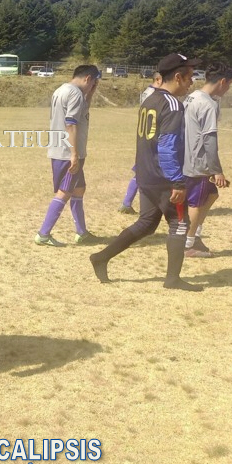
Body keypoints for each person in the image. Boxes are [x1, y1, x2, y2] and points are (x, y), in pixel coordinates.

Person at [89, 53, 203, 291]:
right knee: (180, 223)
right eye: (190, 77)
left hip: (146, 174)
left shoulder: (149, 100)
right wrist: (178, 183)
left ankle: (101, 257)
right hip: (163, 177)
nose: (192, 82)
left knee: (147, 223)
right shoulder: (173, 105)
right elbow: (167, 147)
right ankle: (172, 279)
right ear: (178, 77)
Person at [34, 65, 100, 247]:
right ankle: (43, 234)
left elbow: (80, 113)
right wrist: (74, 154)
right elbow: (70, 123)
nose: (94, 85)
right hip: (68, 153)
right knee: (64, 192)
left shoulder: (62, 90)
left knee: (79, 189)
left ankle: (82, 232)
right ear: (88, 78)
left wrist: (90, 94)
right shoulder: (75, 94)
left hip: (59, 149)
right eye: (94, 82)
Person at [182, 62, 232, 258]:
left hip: (188, 158)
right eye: (229, 84)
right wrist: (216, 170)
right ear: (222, 81)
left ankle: (195, 234)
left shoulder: (192, 97)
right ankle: (188, 245)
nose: (228, 89)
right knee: (196, 202)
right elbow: (209, 139)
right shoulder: (207, 104)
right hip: (199, 163)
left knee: (212, 195)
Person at [119, 73, 163, 214]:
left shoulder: (147, 92)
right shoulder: (154, 94)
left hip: (146, 135)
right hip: (153, 136)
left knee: (141, 171)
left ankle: (127, 203)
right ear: (158, 80)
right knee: (149, 172)